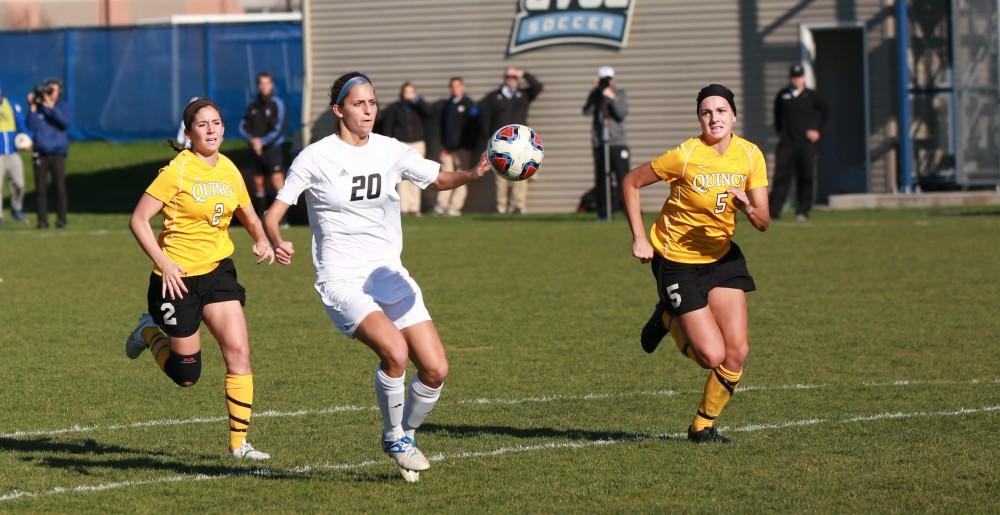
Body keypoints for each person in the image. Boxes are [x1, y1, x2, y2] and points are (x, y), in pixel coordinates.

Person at [262, 72, 490, 482]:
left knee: (436, 369)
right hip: (342, 279)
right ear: (339, 110)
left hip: (388, 274)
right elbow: (274, 213)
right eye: (358, 104)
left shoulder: (390, 150)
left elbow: (436, 179)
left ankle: (406, 435)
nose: (368, 110)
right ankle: (395, 438)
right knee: (395, 354)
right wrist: (276, 240)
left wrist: (471, 175)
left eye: (372, 102)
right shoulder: (315, 157)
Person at [124, 98, 275, 460]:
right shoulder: (177, 170)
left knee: (239, 352)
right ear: (189, 132)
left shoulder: (229, 169)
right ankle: (148, 331)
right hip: (176, 280)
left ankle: (239, 445)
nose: (211, 130)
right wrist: (165, 261)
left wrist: (262, 241)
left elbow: (249, 215)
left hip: (218, 272)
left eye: (216, 123)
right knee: (186, 375)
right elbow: (138, 220)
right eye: (202, 124)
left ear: (224, 128)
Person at [622, 84, 770, 444]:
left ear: (733, 116)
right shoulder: (685, 155)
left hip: (722, 258)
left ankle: (702, 427)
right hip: (677, 262)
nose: (714, 118)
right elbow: (631, 182)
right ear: (699, 118)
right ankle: (667, 318)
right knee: (711, 355)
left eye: (721, 111)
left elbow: (763, 221)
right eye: (706, 112)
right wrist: (640, 238)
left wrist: (747, 208)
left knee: (736, 353)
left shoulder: (750, 156)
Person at [479, 67, 543, 214]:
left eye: (514, 77)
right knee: (501, 177)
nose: (512, 79)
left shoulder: (523, 95)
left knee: (520, 173)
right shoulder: (494, 97)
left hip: (521, 144)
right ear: (504, 78)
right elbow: (485, 120)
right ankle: (501, 206)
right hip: (501, 144)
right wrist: (488, 142)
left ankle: (518, 205)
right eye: (509, 77)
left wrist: (523, 74)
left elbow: (538, 87)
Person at [770, 64, 829, 221]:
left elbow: (825, 113)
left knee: (806, 176)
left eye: (799, 77)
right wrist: (782, 134)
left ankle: (803, 210)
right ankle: (773, 211)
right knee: (781, 176)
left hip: (806, 144)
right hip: (787, 143)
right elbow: (777, 117)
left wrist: (817, 131)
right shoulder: (783, 96)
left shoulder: (812, 96)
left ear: (804, 78)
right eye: (794, 77)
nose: (797, 80)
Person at [582, 66, 629, 221]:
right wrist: (595, 92)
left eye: (608, 79)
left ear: (613, 80)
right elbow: (586, 111)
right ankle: (603, 213)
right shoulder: (596, 95)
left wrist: (612, 98)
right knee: (602, 179)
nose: (606, 83)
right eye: (603, 80)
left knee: (624, 178)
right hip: (600, 143)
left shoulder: (620, 93)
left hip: (617, 142)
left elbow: (621, 113)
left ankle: (629, 211)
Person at [239, 72, 288, 220]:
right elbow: (242, 126)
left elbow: (279, 129)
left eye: (267, 83)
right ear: (258, 85)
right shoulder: (253, 105)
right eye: (262, 83)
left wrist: (263, 142)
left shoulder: (277, 104)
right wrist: (253, 141)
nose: (264, 86)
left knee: (277, 182)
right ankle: (261, 218)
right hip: (256, 151)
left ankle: (282, 220)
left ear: (271, 85)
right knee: (258, 183)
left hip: (272, 150)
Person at [25, 79, 70, 229]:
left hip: (57, 154)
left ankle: (61, 220)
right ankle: (42, 221)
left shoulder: (62, 107)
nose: (50, 92)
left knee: (60, 188)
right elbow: (30, 125)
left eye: (53, 90)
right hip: (41, 153)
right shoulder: (38, 108)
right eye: (48, 89)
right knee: (40, 190)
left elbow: (64, 122)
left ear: (59, 92)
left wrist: (50, 107)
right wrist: (32, 106)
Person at [381, 81, 430, 216]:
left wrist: (417, 101)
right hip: (401, 145)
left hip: (418, 144)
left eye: (411, 92)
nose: (408, 95)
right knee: (401, 177)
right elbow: (388, 127)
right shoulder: (395, 108)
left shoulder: (418, 107)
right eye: (406, 92)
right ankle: (403, 208)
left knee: (417, 175)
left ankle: (415, 208)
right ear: (402, 93)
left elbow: (428, 112)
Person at [434, 77, 479, 216]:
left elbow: (474, 127)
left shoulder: (469, 104)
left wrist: (467, 145)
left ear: (462, 87)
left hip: (462, 149)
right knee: (444, 176)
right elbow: (443, 127)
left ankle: (454, 207)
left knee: (462, 176)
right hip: (448, 148)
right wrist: (443, 146)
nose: (455, 89)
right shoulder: (448, 105)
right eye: (453, 86)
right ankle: (442, 205)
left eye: (458, 86)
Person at [0, 81, 29, 226]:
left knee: (20, 184)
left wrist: (27, 139)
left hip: (12, 153)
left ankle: (16, 208)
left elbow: (22, 124)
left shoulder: (11, 105)